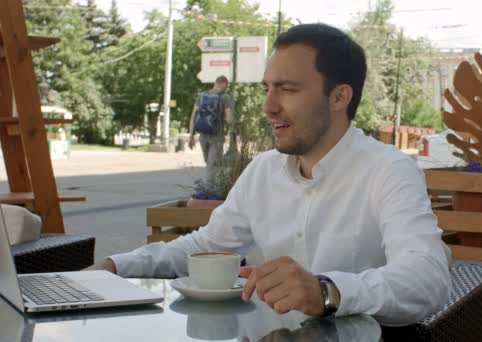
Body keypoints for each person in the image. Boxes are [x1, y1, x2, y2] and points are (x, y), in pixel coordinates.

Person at [88, 23, 450, 326]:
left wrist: (327, 290)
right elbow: (205, 247)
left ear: (339, 97)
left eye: (287, 89)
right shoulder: (263, 170)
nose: (268, 106)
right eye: (267, 88)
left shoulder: (388, 170)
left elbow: (427, 278)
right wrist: (116, 266)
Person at [188, 75, 234, 178]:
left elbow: (193, 117)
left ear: (215, 83)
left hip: (203, 136)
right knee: (212, 167)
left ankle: (210, 188)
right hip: (217, 137)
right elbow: (229, 119)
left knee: (209, 164)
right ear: (224, 84)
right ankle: (210, 191)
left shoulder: (202, 96)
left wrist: (191, 136)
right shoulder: (225, 97)